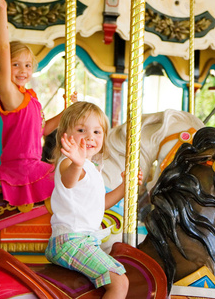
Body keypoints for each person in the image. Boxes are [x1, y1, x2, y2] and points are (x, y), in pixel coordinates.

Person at [0, 0, 77, 207]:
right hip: (19, 168)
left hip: (32, 164)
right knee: (66, 183)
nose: (22, 70)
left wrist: (66, 110)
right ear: (5, 67)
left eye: (27, 65)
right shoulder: (9, 94)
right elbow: (3, 46)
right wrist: (2, 11)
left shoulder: (30, 98)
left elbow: (42, 130)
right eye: (15, 64)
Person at [45, 101, 142, 299]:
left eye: (97, 132)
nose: (90, 136)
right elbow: (69, 180)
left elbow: (100, 205)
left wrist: (125, 187)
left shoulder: (91, 167)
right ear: (66, 135)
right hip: (71, 241)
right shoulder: (69, 163)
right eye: (82, 130)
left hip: (84, 241)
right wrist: (77, 164)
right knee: (119, 282)